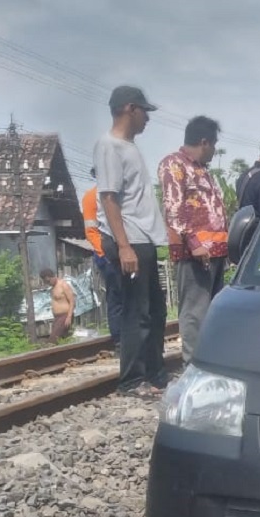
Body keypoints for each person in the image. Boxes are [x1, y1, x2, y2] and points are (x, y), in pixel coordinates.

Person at [94, 84, 169, 398]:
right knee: (136, 312)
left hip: (142, 239)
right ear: (129, 108)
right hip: (129, 239)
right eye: (144, 112)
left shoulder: (129, 147)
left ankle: (153, 375)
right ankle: (131, 381)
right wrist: (123, 246)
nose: (147, 119)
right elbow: (109, 198)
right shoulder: (109, 145)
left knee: (155, 309)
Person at [159, 116, 227, 365]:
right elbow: (173, 208)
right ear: (204, 142)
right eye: (214, 144)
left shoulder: (202, 170)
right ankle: (194, 366)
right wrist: (193, 243)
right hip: (195, 252)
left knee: (213, 312)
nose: (215, 150)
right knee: (195, 313)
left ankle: (212, 362)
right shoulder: (174, 165)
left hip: (216, 250)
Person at [82, 168, 122, 345]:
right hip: (107, 255)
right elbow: (91, 231)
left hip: (126, 250)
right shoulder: (91, 197)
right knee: (116, 295)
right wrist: (105, 254)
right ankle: (119, 338)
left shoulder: (121, 195)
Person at [41, 268, 75, 344]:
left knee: (53, 340)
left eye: (48, 281)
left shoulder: (63, 285)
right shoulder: (53, 288)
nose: (48, 283)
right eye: (46, 282)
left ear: (53, 276)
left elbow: (72, 301)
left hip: (65, 316)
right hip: (57, 318)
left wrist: (69, 317)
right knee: (62, 339)